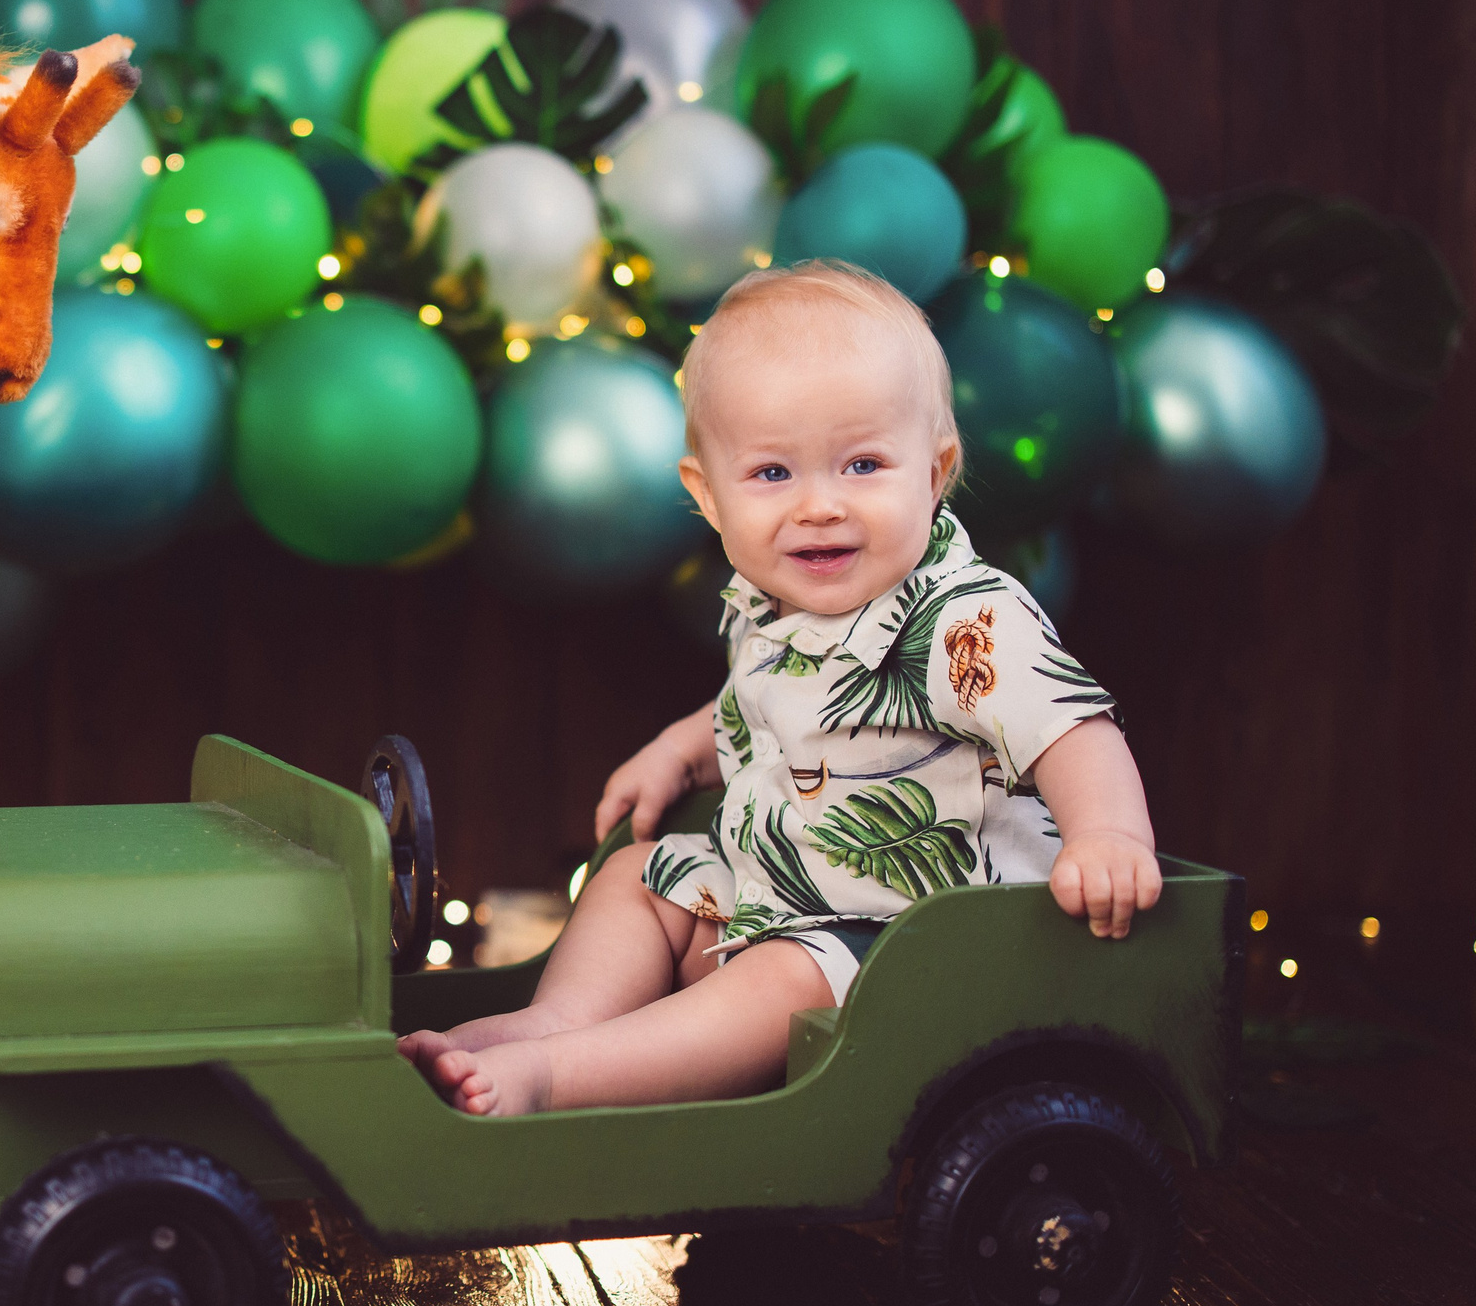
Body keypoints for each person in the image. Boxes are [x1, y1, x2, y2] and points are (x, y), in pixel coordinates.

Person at [401, 260, 1163, 1117]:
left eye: (864, 464)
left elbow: (1073, 729)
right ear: (709, 496)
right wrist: (680, 752)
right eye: (772, 475)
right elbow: (764, 703)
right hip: (781, 894)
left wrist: (1107, 834)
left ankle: (559, 1080)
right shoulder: (773, 606)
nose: (820, 507)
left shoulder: (965, 621)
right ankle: (553, 1025)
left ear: (936, 470)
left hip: (909, 951)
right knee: (637, 877)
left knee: (777, 980)